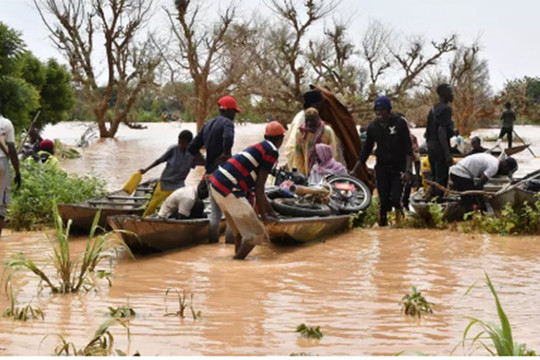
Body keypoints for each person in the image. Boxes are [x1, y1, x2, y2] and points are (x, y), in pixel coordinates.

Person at [209, 121, 286, 260]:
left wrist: (270, 211)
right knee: (257, 235)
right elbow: (260, 187)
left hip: (216, 184)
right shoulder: (271, 151)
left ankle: (237, 268)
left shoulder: (259, 147)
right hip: (229, 187)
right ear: (281, 139)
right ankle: (235, 264)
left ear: (265, 136)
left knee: (240, 231)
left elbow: (257, 188)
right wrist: (264, 216)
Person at [351, 96, 413, 226]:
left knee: (397, 199)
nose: (379, 113)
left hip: (398, 168)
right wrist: (355, 169)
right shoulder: (372, 127)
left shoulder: (400, 123)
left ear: (388, 110)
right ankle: (382, 229)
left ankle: (400, 226)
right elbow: (366, 150)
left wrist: (408, 170)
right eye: (377, 110)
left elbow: (408, 148)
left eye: (382, 109)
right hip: (382, 168)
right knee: (383, 201)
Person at [187, 95, 240, 243]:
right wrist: (227, 154)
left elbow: (192, 147)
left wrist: (204, 161)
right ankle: (230, 245)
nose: (235, 115)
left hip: (210, 173)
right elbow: (228, 138)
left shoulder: (208, 124)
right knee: (231, 210)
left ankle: (213, 243)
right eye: (234, 112)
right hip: (225, 173)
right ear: (229, 111)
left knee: (215, 212)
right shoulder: (228, 123)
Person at [139, 130, 197, 217]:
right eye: (179, 142)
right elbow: (159, 160)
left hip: (179, 185)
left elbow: (203, 163)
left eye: (183, 143)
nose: (180, 145)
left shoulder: (193, 154)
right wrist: (146, 169)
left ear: (189, 143)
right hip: (165, 183)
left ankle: (172, 221)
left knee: (180, 206)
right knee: (152, 205)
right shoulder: (173, 149)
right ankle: (144, 219)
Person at [450, 154, 517, 212]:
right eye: (507, 172)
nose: (504, 174)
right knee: (471, 203)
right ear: (505, 166)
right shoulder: (494, 167)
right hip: (460, 173)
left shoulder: (494, 161)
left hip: (459, 172)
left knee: (472, 198)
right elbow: (479, 186)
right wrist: (484, 206)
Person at [424, 83, 455, 198]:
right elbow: (441, 132)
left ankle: (432, 201)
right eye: (451, 92)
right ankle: (438, 203)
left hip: (431, 147)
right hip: (440, 148)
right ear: (445, 94)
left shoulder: (433, 109)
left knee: (435, 176)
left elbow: (427, 133)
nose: (453, 94)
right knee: (442, 179)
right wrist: (447, 154)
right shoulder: (446, 109)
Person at [284, 89, 326, 166]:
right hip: (297, 154)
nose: (320, 107)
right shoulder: (302, 118)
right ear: (312, 105)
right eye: (318, 105)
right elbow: (296, 143)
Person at [291, 107, 337, 176]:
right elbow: (298, 155)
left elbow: (332, 153)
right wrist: (302, 174)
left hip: (325, 171)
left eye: (312, 120)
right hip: (307, 171)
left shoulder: (327, 131)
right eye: (307, 120)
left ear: (318, 119)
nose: (310, 123)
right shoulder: (300, 133)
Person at [0, 112, 21, 237]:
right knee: (1, 207)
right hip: (1, 162)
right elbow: (11, 149)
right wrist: (17, 172)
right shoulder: (6, 123)